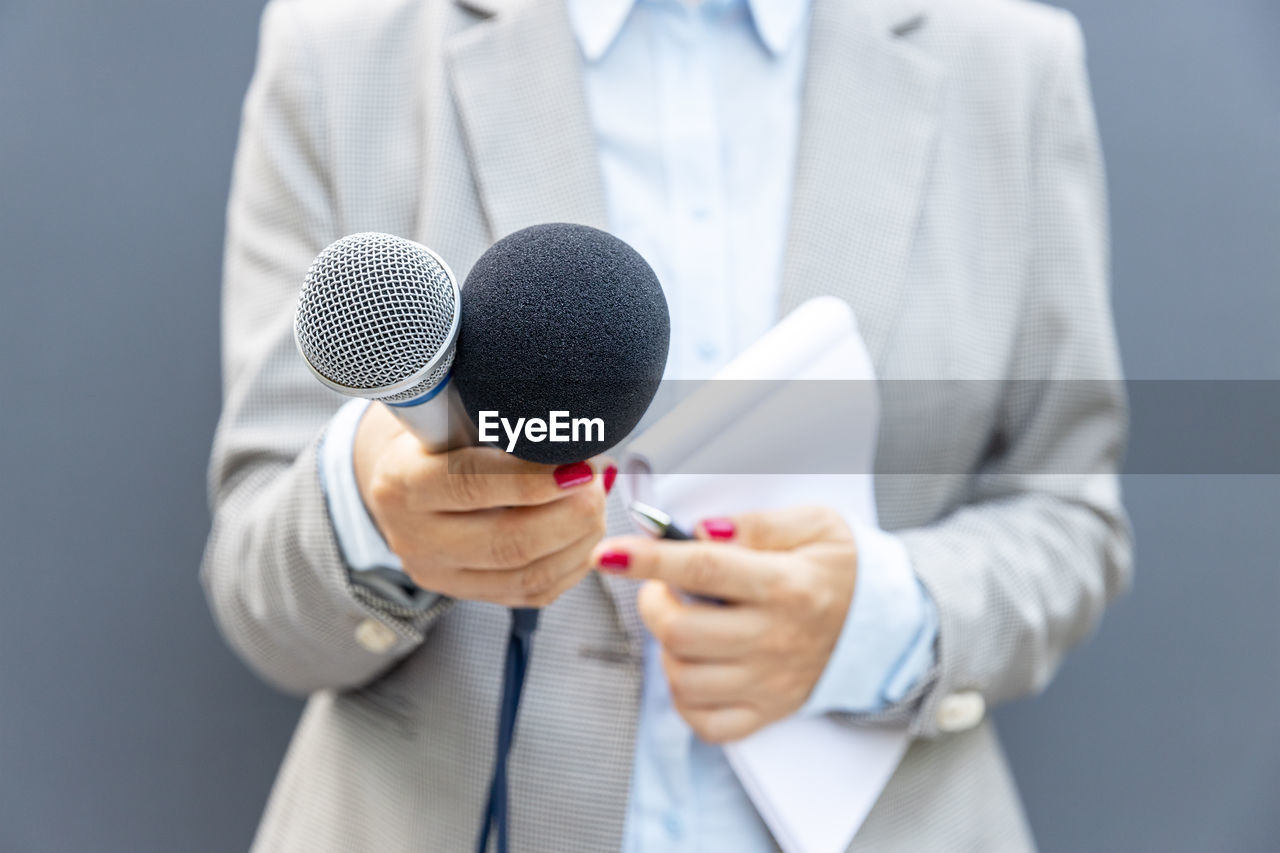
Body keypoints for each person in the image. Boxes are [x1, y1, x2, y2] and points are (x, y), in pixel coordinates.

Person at [201, 0, 1132, 849]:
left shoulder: (1013, 64)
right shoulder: (340, 48)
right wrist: (373, 514)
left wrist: (883, 622)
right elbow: (253, 583)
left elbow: (1069, 512)